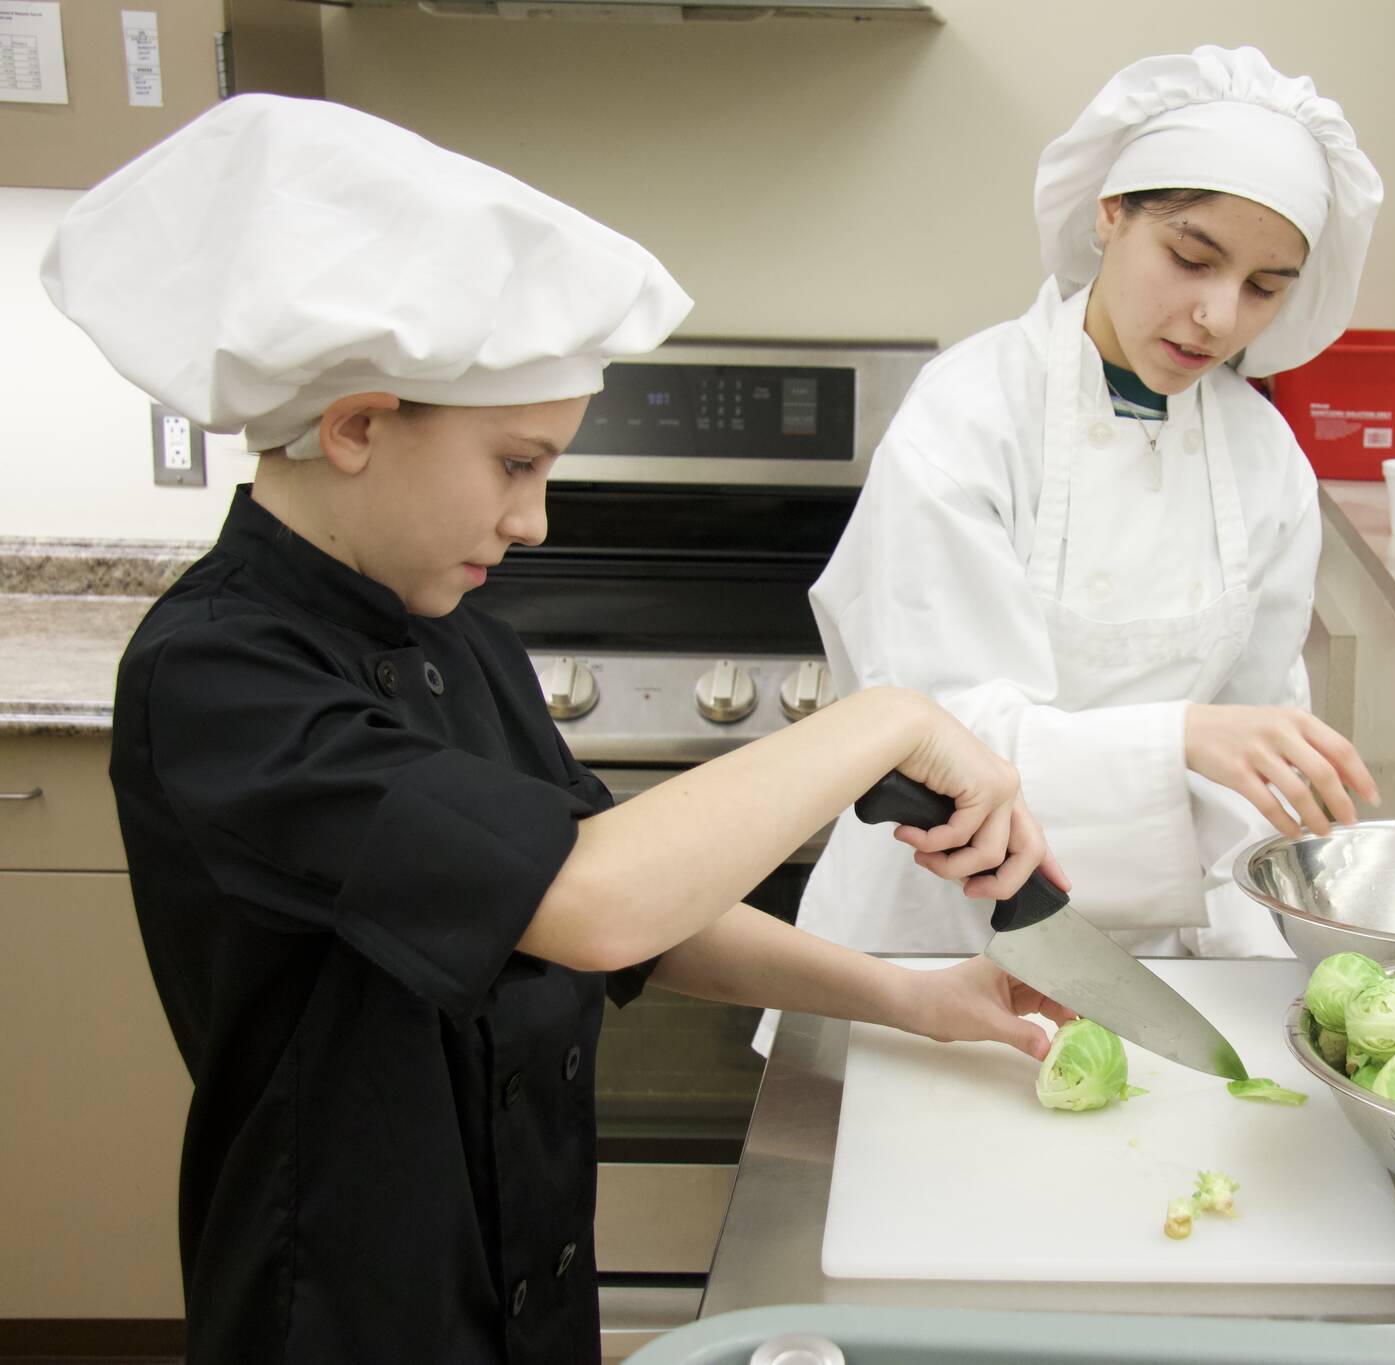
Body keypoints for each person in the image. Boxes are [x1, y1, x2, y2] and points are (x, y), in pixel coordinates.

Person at [42, 95, 1073, 1365]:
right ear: (358, 426)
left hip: (525, 1272)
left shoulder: (459, 633)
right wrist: (885, 720)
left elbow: (638, 909)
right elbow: (592, 903)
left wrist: (906, 996)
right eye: (516, 464)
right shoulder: (221, 678)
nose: (533, 522)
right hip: (350, 1314)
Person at [796, 47, 1385, 959]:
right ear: (1111, 213)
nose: (1220, 316)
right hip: (935, 932)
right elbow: (924, 739)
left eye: (1265, 288)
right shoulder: (970, 416)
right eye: (1192, 258)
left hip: (1165, 947)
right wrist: (1178, 739)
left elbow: (1257, 743)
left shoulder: (1266, 459)